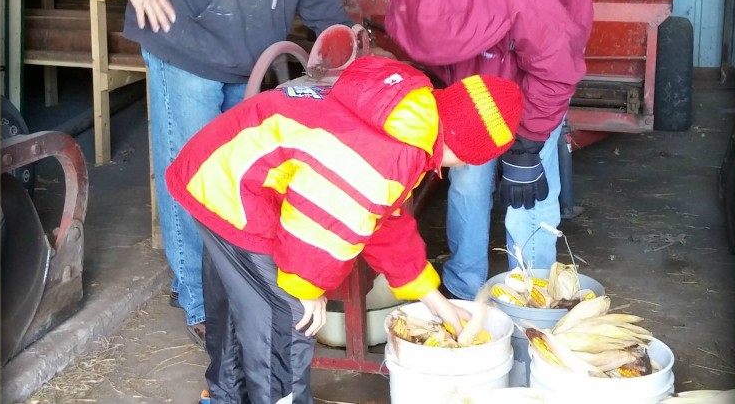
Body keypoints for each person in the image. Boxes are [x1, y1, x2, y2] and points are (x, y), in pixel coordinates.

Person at [164, 55, 524, 403]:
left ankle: (225, 397)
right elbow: (324, 220)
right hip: (237, 191)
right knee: (290, 320)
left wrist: (435, 301)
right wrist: (305, 289)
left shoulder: (410, 120)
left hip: (220, 170)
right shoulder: (391, 154)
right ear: (466, 151)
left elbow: (386, 222)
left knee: (241, 303)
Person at [85, 0, 354, 347]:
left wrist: (343, 43)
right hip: (186, 42)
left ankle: (232, 288)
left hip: (250, 59)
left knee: (238, 184)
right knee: (192, 179)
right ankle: (198, 300)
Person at [384, 0, 594, 300]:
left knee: (531, 188)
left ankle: (533, 292)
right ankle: (464, 285)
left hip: (534, 69)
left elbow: (555, 73)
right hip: (474, 66)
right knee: (466, 173)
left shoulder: (533, 0)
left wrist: (527, 147)